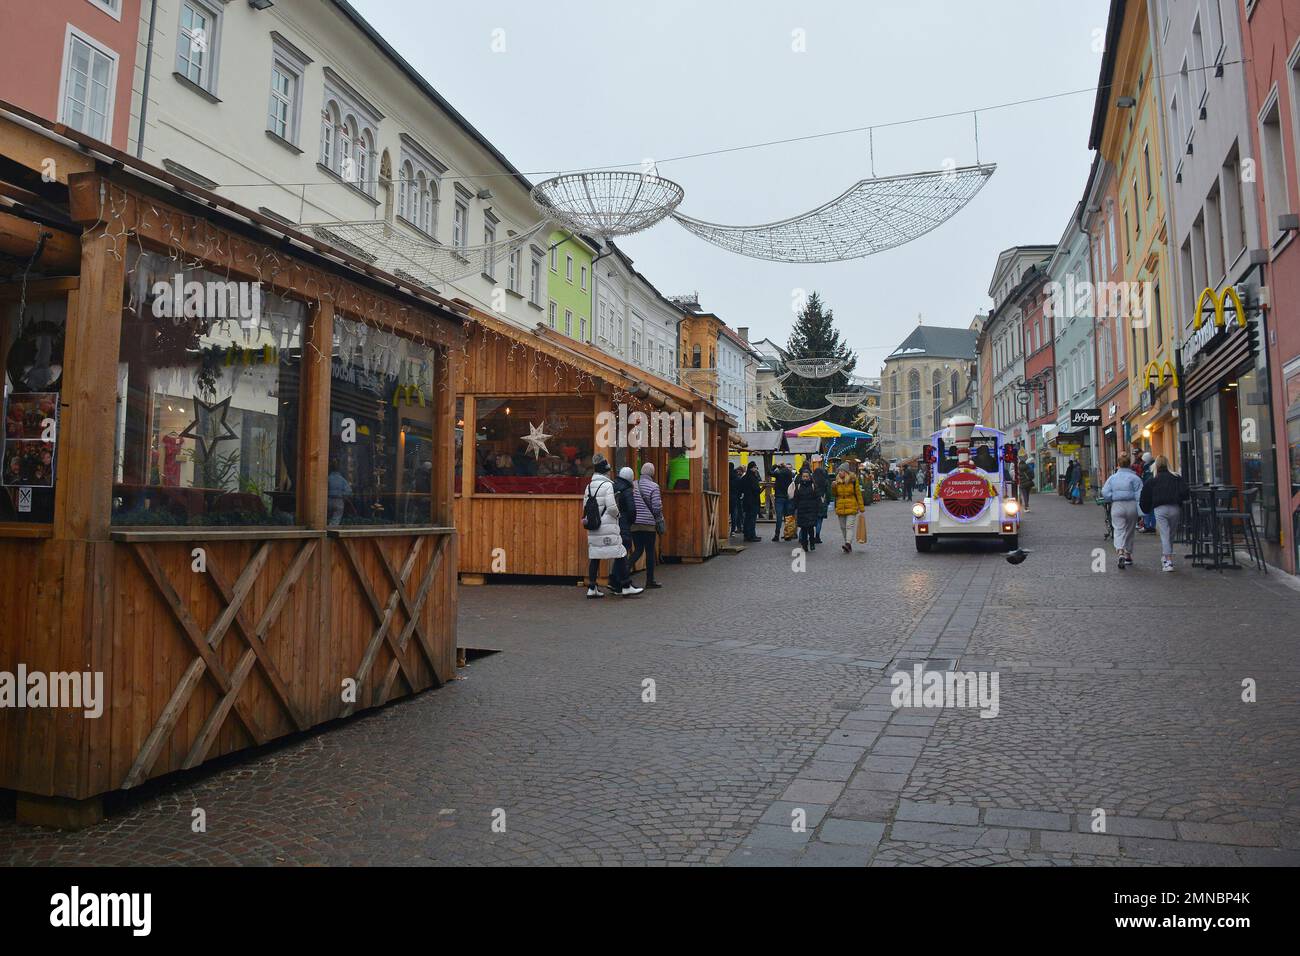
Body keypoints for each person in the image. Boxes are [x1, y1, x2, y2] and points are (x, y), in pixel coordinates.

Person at [583, 454, 640, 597]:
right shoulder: (608, 485)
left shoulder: (588, 487)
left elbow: (585, 507)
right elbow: (612, 507)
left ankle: (592, 588)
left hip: (594, 527)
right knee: (620, 553)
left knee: (594, 556)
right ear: (605, 471)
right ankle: (626, 585)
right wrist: (618, 516)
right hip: (607, 526)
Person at [1140, 455, 1189, 572]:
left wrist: (1145, 510)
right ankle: (1167, 557)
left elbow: (1144, 496)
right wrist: (1179, 499)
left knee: (1164, 534)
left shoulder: (1152, 480)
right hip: (1175, 508)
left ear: (1155, 465)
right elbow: (1185, 492)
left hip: (1160, 509)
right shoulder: (1176, 477)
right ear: (1168, 464)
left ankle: (1168, 560)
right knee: (1170, 534)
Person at [1102, 453, 1144, 569]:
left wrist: (1111, 497)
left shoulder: (1112, 478)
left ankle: (1120, 551)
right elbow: (1140, 494)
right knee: (1130, 530)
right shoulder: (1135, 478)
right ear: (1129, 464)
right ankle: (1128, 555)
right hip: (1131, 505)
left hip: (1117, 505)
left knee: (1118, 529)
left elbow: (1105, 492)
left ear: (1118, 465)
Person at [628, 461, 664, 589]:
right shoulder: (654, 486)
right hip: (648, 524)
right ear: (652, 473)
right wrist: (659, 519)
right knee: (649, 552)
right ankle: (650, 580)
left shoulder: (633, 485)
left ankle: (623, 573)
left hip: (634, 523)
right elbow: (656, 507)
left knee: (637, 550)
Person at [612, 467, 643, 594]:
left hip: (614, 523)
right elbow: (632, 510)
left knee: (619, 554)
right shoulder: (627, 489)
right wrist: (631, 520)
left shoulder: (614, 486)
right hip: (624, 524)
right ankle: (625, 584)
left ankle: (614, 583)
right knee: (623, 553)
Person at [831, 465, 865, 553]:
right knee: (843, 527)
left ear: (846, 472)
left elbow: (858, 494)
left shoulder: (853, 480)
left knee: (849, 526)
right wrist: (833, 487)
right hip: (840, 507)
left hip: (851, 506)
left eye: (841, 471)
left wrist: (861, 507)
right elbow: (835, 494)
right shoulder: (837, 481)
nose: (839, 473)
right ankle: (847, 543)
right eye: (838, 471)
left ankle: (848, 543)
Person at [791, 465, 821, 552]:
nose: (805, 478)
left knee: (811, 528)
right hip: (802, 510)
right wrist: (794, 508)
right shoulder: (799, 486)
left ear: (809, 477)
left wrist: (817, 508)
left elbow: (817, 497)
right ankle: (804, 544)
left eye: (806, 476)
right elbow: (796, 498)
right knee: (803, 528)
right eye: (803, 476)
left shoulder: (813, 486)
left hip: (811, 510)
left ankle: (812, 542)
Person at [740, 460, 763, 541]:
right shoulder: (753, 478)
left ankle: (746, 535)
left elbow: (741, 488)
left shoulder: (744, 477)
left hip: (746, 501)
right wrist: (761, 489)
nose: (756, 469)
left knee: (747, 519)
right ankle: (752, 536)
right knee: (752, 519)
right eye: (755, 467)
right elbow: (756, 489)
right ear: (752, 468)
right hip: (753, 501)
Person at [771, 461, 792, 541]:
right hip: (787, 497)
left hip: (779, 497)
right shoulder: (789, 472)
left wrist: (775, 465)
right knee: (787, 517)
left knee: (779, 517)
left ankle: (777, 535)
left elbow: (769, 472)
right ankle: (788, 535)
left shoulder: (778, 473)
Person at [327, 459, 351, 526]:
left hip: (328, 500)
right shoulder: (342, 479)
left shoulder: (328, 478)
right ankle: (331, 531)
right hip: (338, 501)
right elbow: (349, 491)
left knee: (326, 518)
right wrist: (342, 495)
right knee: (336, 519)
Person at [811, 457, 830, 543]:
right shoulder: (825, 481)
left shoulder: (813, 481)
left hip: (813, 502)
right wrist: (828, 501)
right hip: (822, 501)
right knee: (819, 520)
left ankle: (808, 536)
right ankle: (817, 536)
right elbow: (828, 493)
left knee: (811, 520)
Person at [728, 462, 743, 536]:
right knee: (734, 514)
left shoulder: (725, 476)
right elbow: (740, 488)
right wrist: (739, 495)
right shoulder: (737, 477)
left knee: (726, 514)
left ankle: (724, 529)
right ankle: (732, 530)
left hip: (726, 497)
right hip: (735, 497)